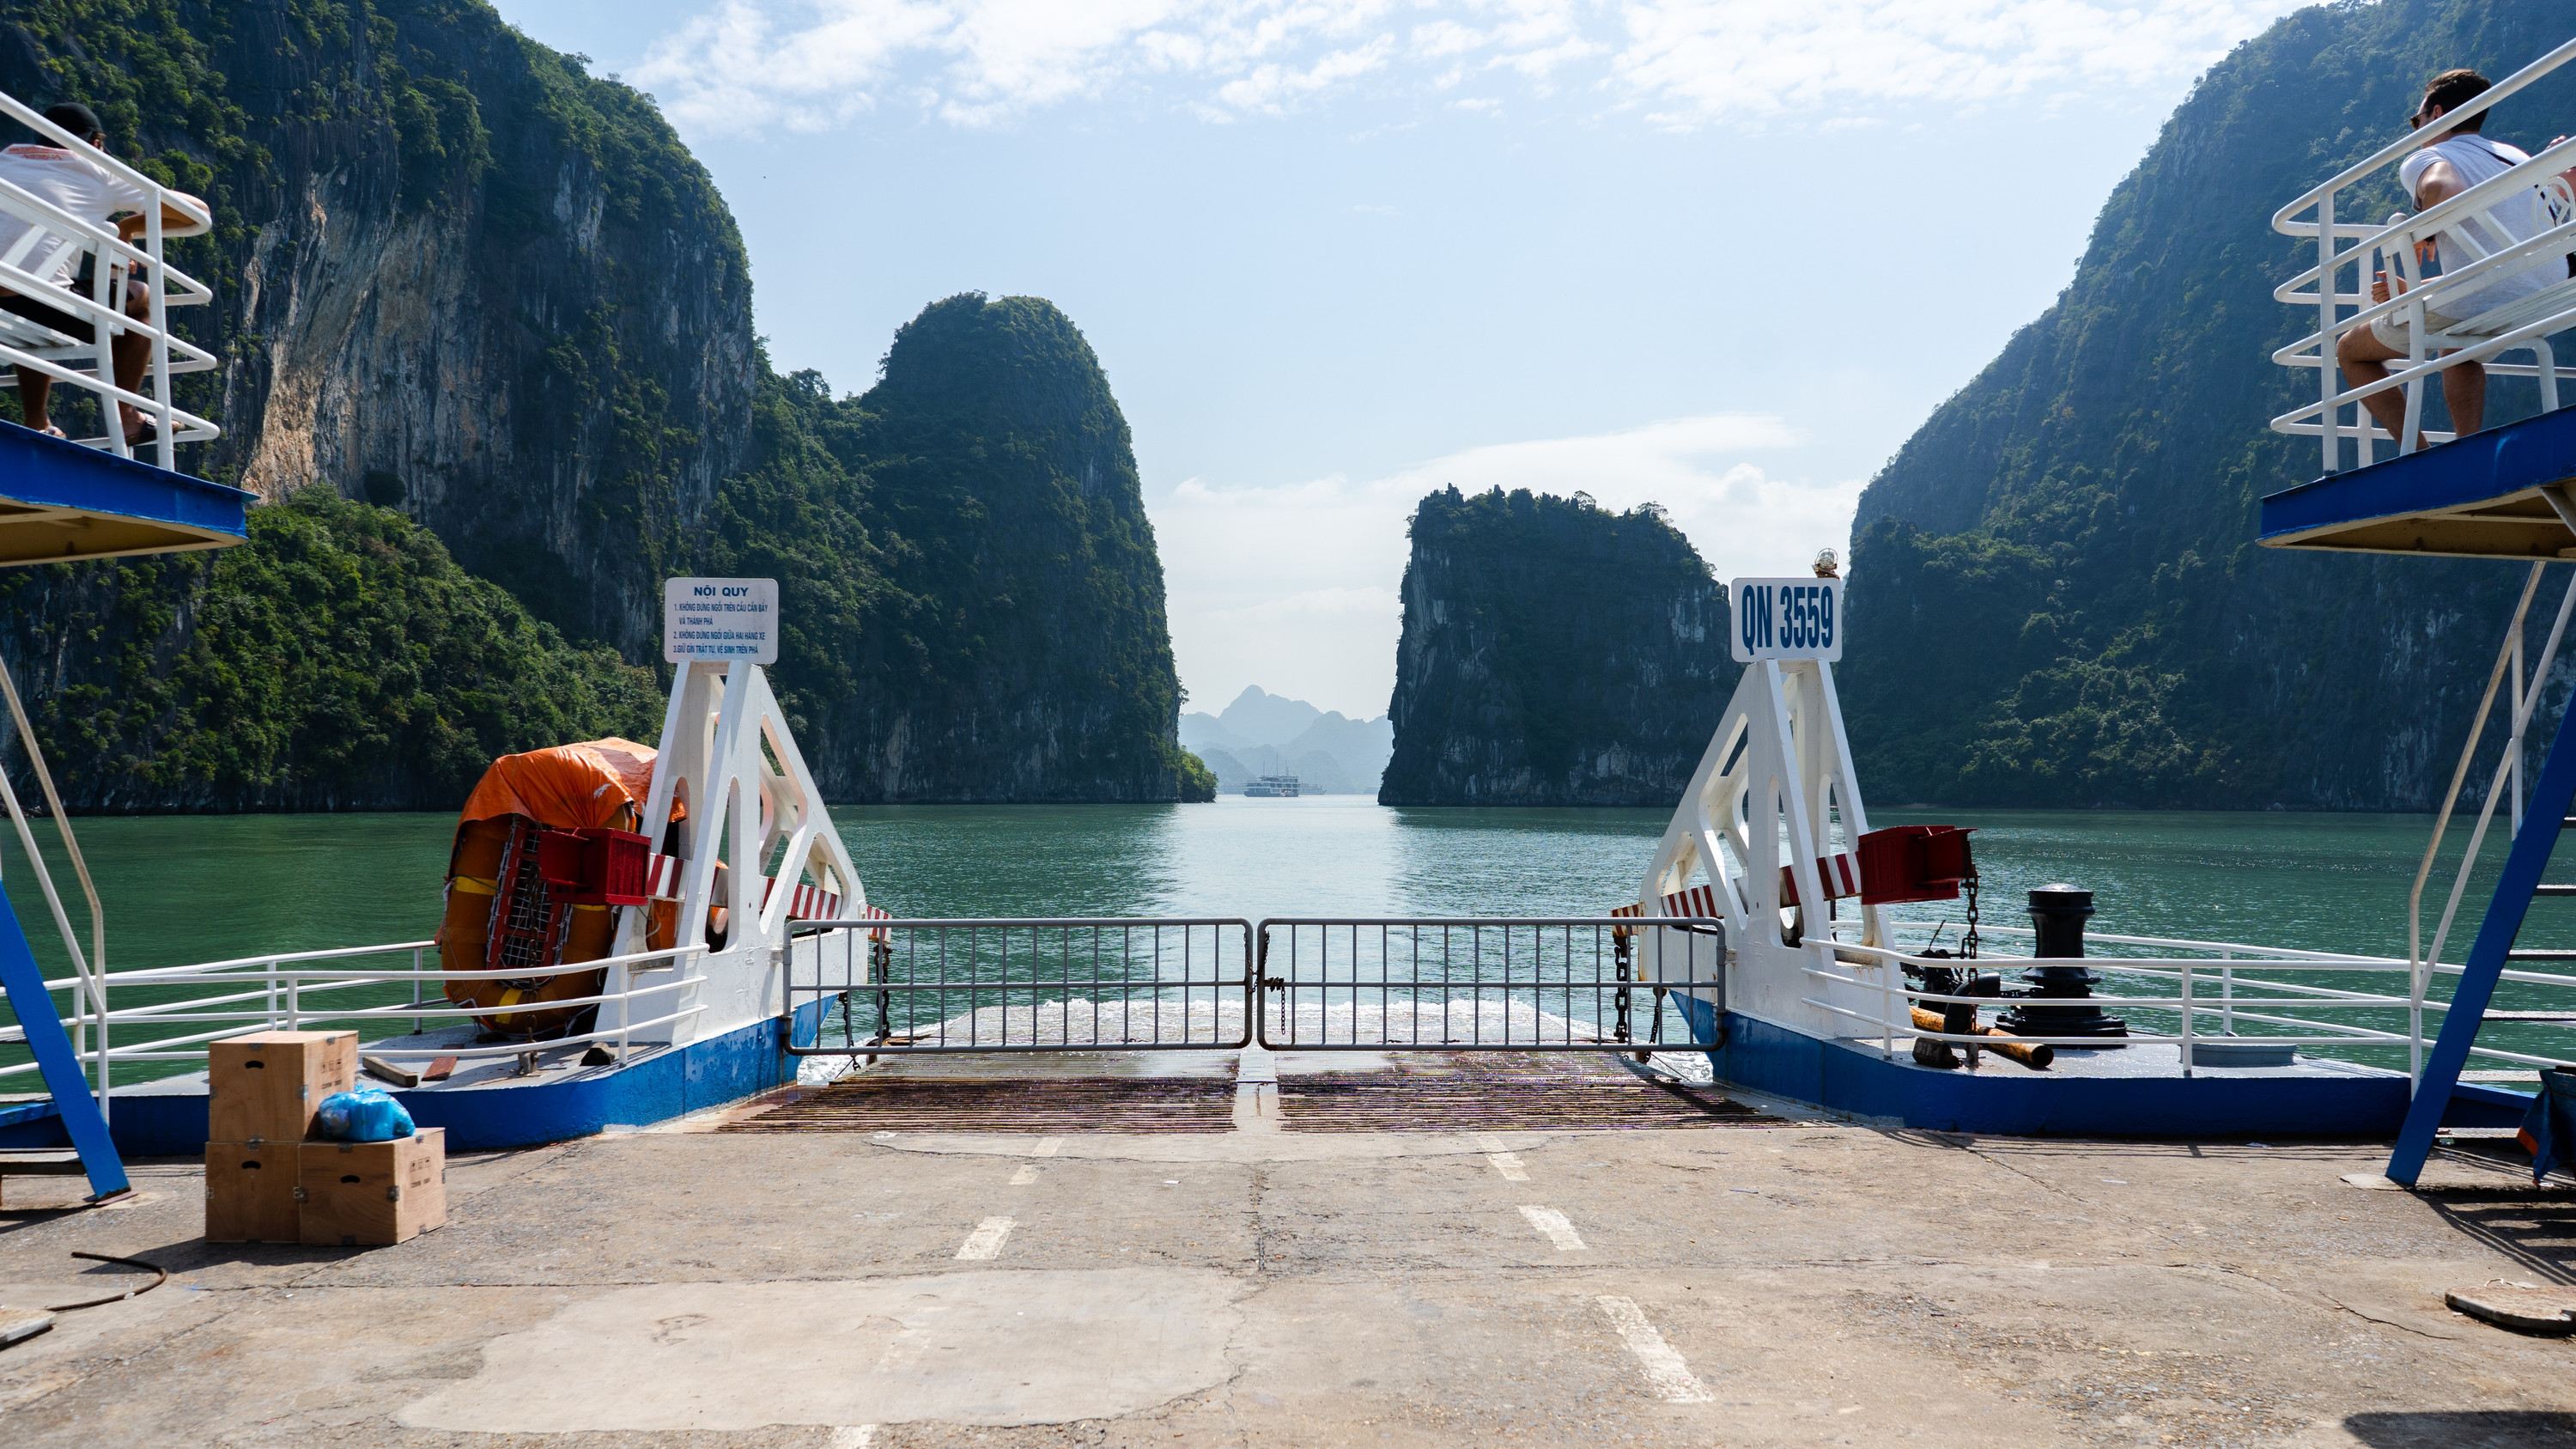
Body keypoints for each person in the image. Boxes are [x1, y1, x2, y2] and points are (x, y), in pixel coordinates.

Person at [2335, 69, 2561, 443]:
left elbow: (2444, 189)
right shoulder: (2513, 154)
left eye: (2416, 120)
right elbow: (2497, 257)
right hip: (2548, 287)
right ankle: (2465, 443)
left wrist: (2421, 229)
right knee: (2456, 338)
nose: (2415, 129)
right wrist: (2416, 287)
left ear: (2437, 116)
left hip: (2487, 298)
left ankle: (2420, 453)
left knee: (2350, 350)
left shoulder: (2429, 156)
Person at [0, 101, 204, 445]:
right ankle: (127, 417)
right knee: (139, 297)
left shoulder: (6, 159)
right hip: (35, 304)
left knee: (37, 287)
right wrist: (128, 226)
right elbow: (197, 212)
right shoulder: (96, 170)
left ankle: (37, 420)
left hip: (11, 305)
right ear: (95, 142)